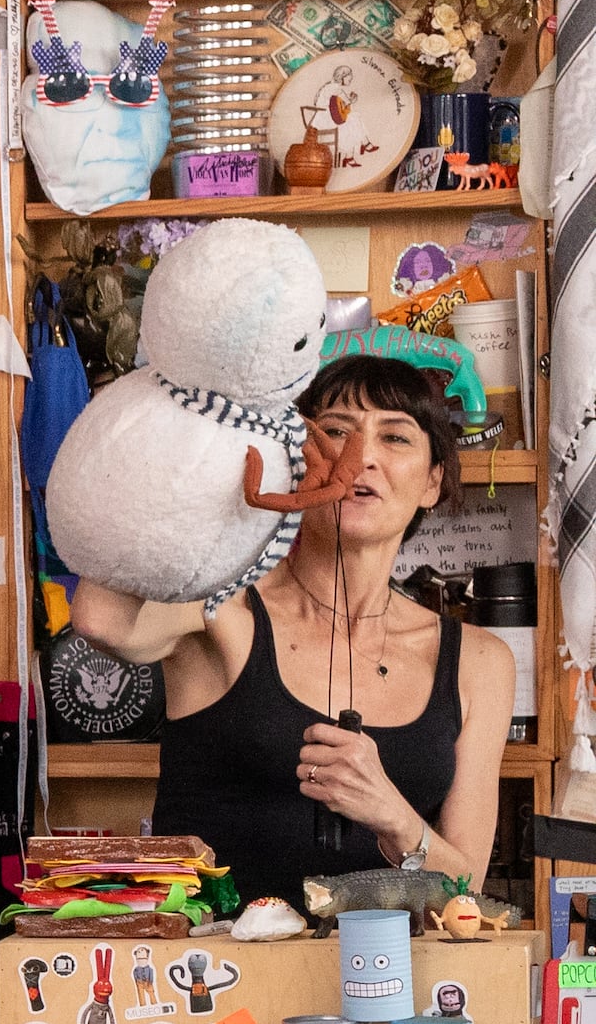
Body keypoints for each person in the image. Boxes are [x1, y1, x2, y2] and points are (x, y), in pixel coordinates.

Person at [70, 350, 505, 907]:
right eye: (333, 432)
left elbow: (466, 895)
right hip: (212, 979)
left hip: (382, 984)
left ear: (432, 483)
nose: (360, 455)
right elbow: (99, 619)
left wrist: (393, 816)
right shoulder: (223, 606)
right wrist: (186, 450)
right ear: (294, 464)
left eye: (394, 437)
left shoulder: (479, 661)